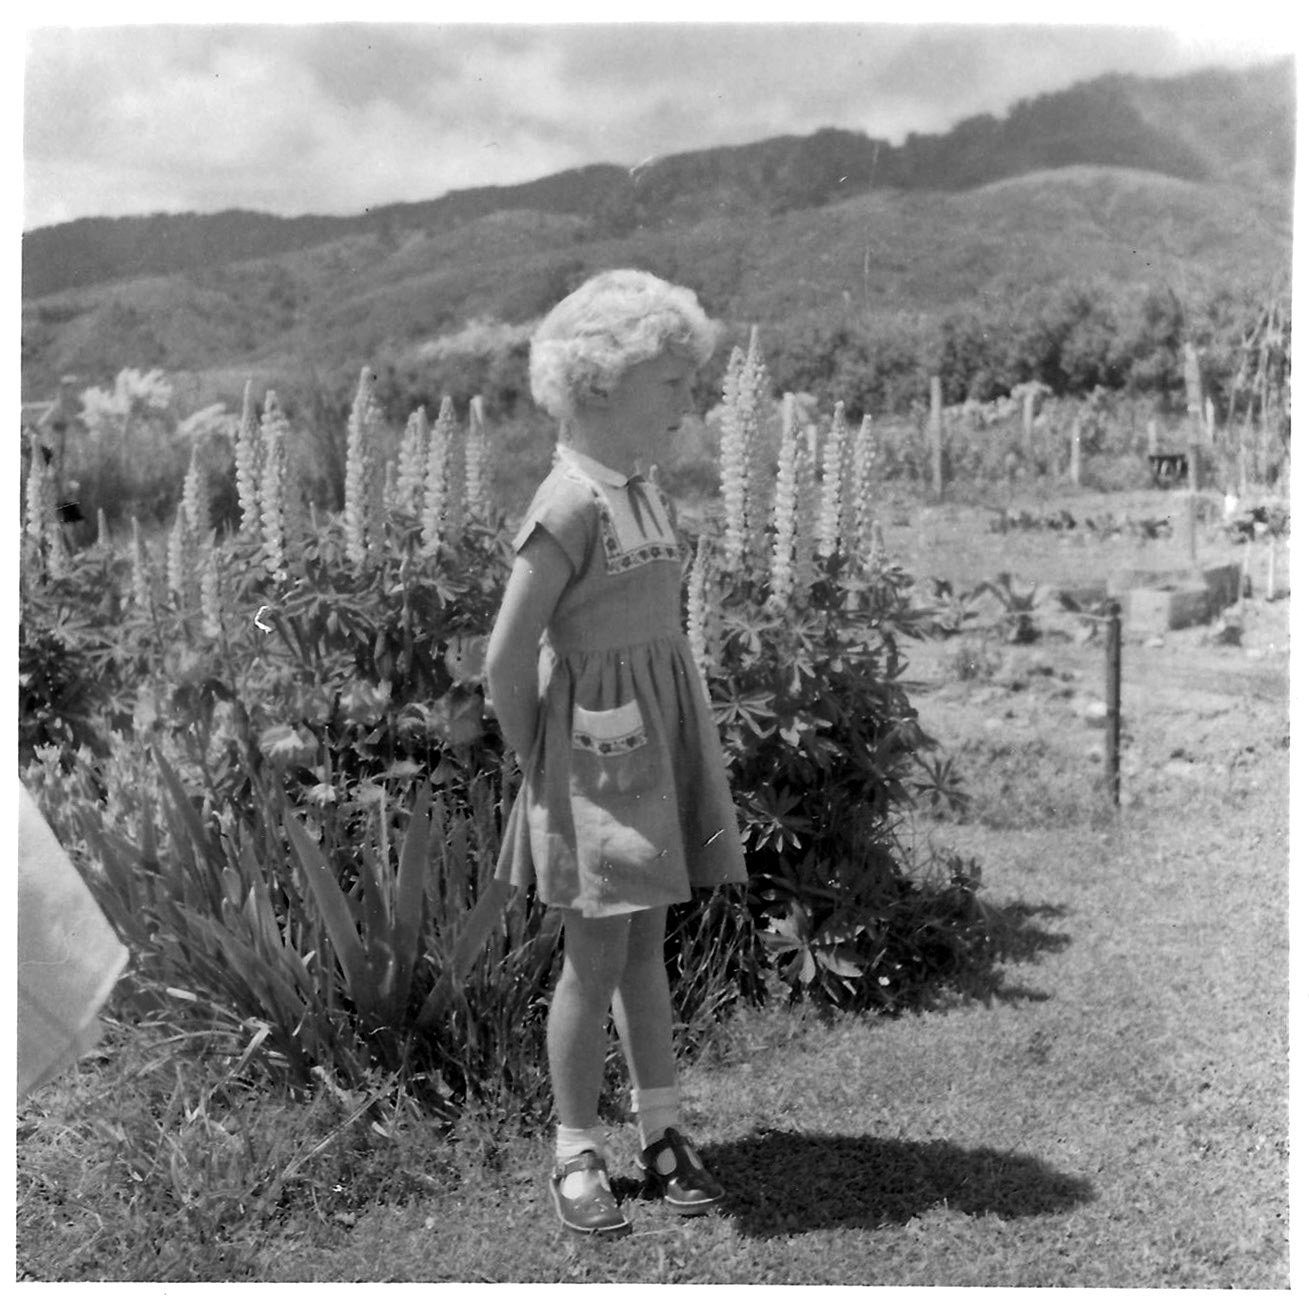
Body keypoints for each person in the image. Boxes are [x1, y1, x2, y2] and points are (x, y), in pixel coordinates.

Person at [486, 269, 747, 1236]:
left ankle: (663, 1128)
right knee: (593, 957)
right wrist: (542, 774)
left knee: (645, 946)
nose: (690, 405)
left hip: (651, 745)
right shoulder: (567, 507)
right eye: (673, 386)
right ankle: (574, 1147)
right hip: (591, 770)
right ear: (602, 385)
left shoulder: (642, 493)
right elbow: (506, 662)